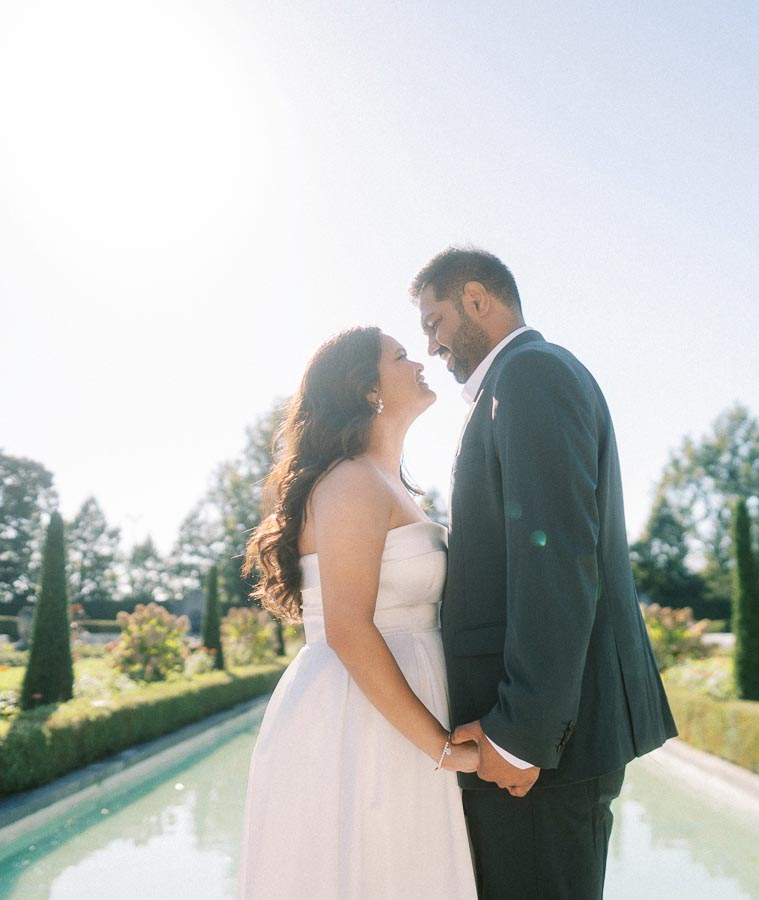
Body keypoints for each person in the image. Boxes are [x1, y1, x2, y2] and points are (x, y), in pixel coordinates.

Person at [411, 247, 678, 899]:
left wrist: (520, 734)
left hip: (544, 750)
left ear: (478, 300)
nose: (432, 345)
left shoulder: (530, 375)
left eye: (435, 321)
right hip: (535, 742)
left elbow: (554, 559)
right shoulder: (514, 384)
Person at [237, 326, 479, 899]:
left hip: (401, 704)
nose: (418, 361)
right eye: (400, 356)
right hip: (359, 710)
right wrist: (440, 748)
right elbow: (347, 627)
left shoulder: (389, 483)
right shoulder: (349, 482)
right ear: (368, 388)